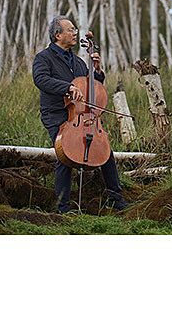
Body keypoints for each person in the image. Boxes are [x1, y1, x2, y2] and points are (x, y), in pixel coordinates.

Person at [32, 15, 129, 214]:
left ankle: (116, 199)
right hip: (57, 114)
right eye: (71, 30)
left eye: (76, 30)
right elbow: (40, 79)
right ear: (58, 35)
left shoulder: (77, 61)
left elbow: (91, 87)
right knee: (65, 154)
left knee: (106, 152)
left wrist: (97, 71)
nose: (75, 33)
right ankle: (63, 208)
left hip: (81, 115)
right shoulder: (44, 58)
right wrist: (66, 87)